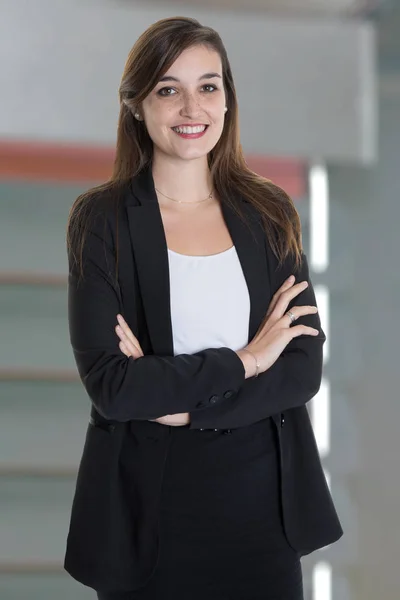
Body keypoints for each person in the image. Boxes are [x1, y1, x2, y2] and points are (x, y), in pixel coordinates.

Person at [64, 16, 343, 600]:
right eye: (169, 88)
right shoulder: (103, 220)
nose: (192, 106)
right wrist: (246, 360)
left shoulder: (269, 213)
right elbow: (115, 387)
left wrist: (185, 406)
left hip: (263, 513)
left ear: (227, 99)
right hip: (149, 517)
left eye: (209, 86)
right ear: (137, 105)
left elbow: (300, 369)